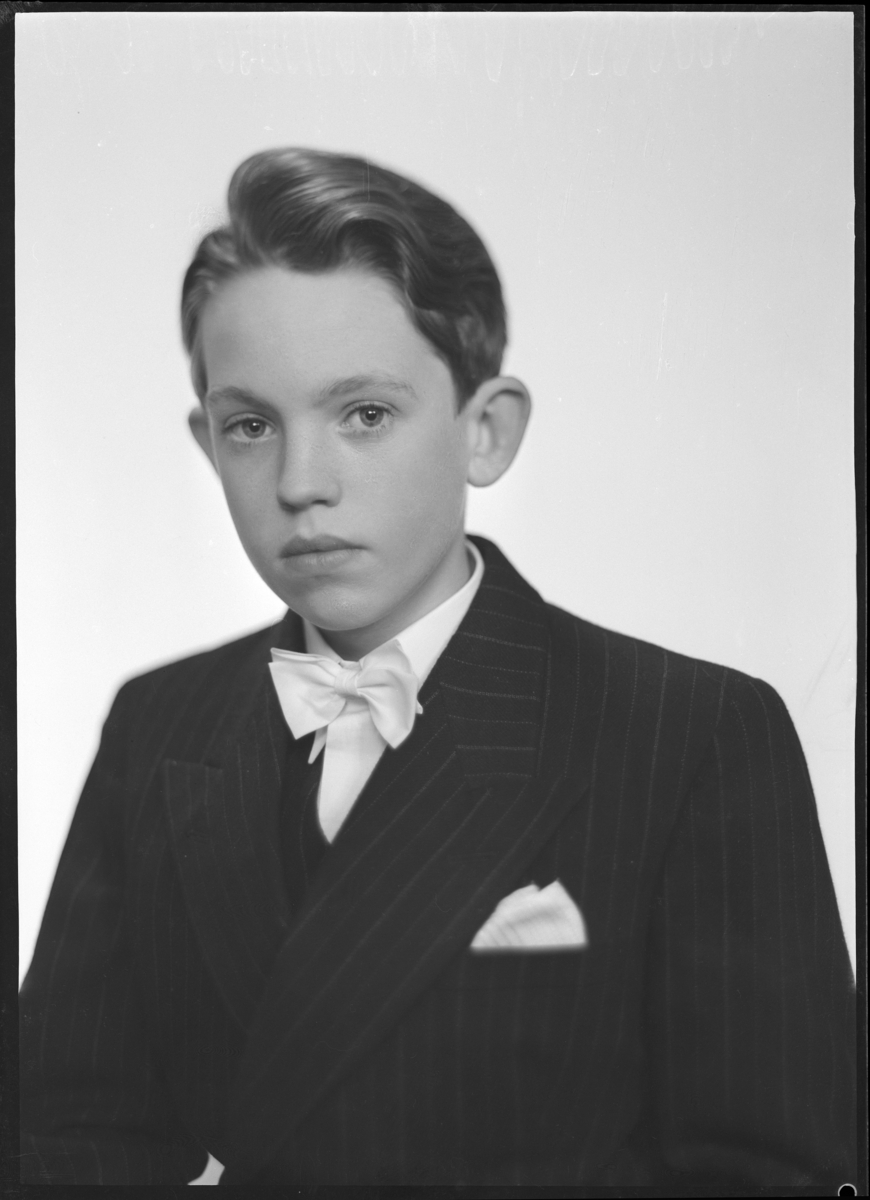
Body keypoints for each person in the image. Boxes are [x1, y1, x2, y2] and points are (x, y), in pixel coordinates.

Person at [19, 148, 855, 1188]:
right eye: (251, 426)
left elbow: (769, 1171)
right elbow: (66, 1139)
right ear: (207, 443)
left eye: (364, 414)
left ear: (485, 432)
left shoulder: (690, 735)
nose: (301, 482)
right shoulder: (160, 723)